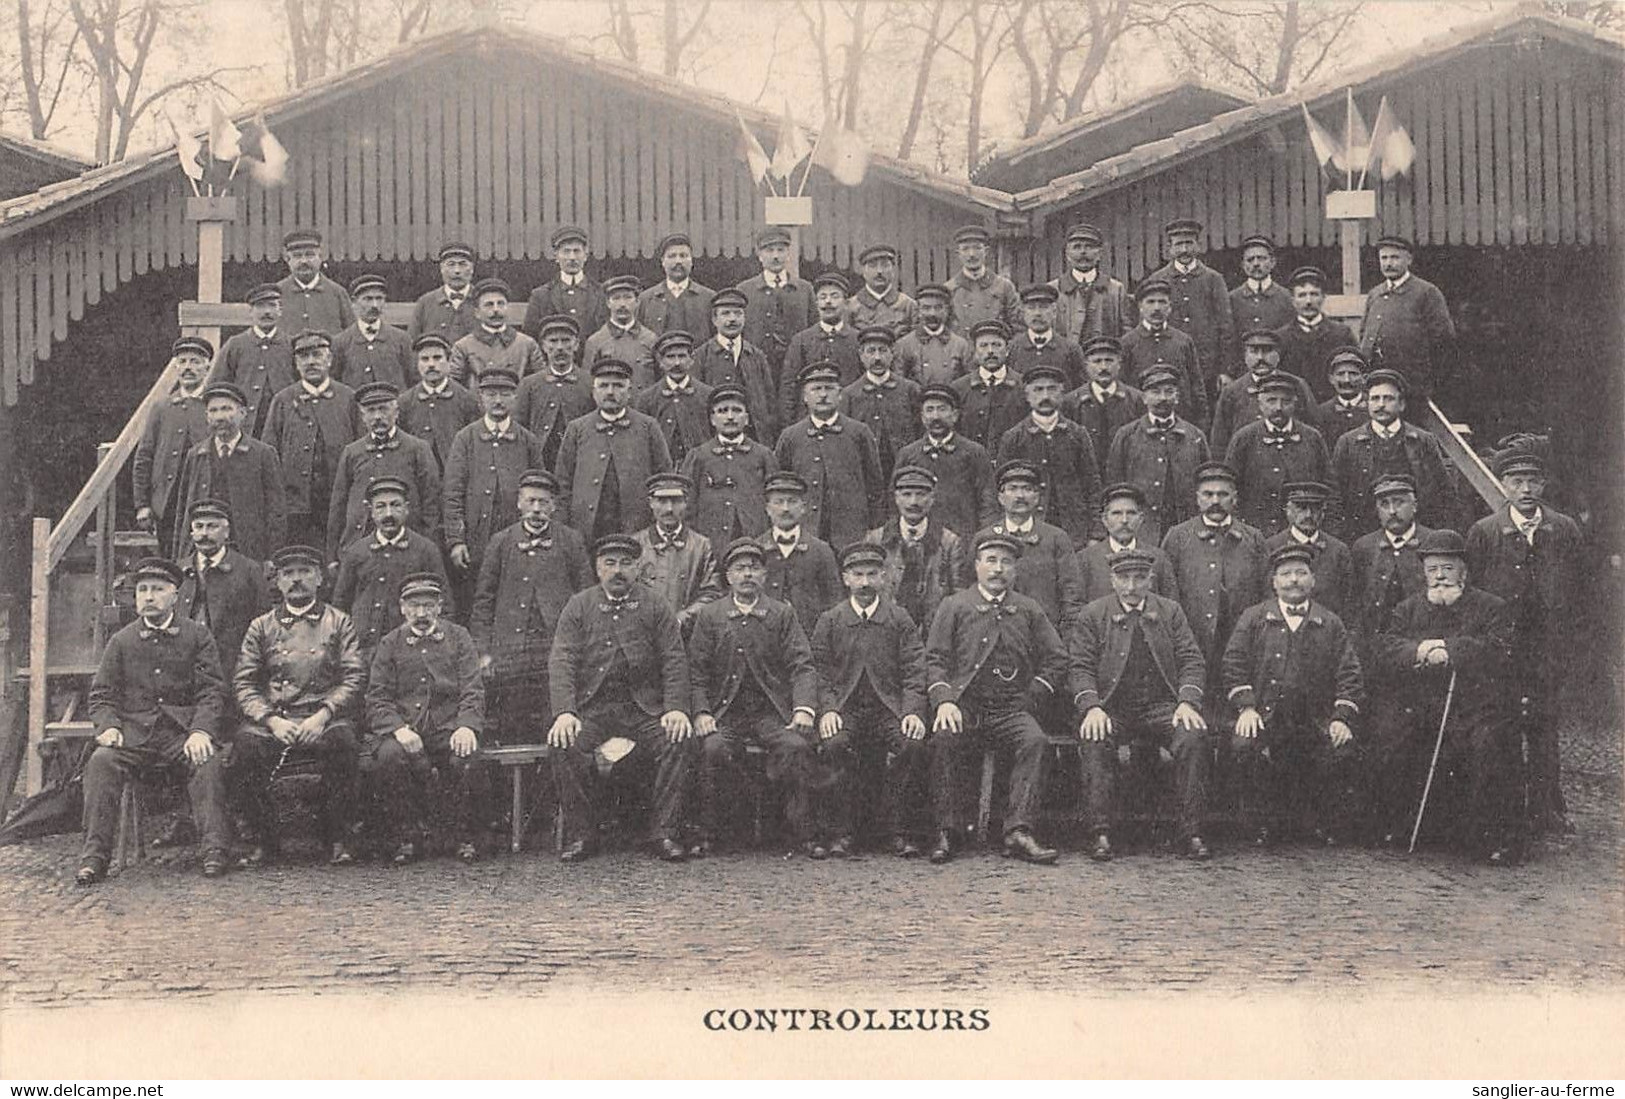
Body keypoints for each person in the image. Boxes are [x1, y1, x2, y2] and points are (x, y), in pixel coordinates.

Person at [75, 557, 231, 884]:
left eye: (158, 590)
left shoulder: (197, 636)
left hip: (180, 735)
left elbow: (212, 692)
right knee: (101, 762)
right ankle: (94, 856)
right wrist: (109, 726)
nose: (148, 596)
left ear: (175, 595)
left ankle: (214, 850)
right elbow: (101, 694)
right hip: (133, 736)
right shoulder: (121, 641)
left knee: (208, 763)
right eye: (142, 590)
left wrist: (201, 730)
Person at [1371, 530, 1518, 863]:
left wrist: (1452, 650)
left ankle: (1488, 838)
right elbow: (1387, 649)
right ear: (1423, 572)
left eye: (1448, 568)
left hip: (1475, 706)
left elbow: (1500, 650)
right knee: (1392, 740)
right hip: (1420, 703)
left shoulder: (1491, 607)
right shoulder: (1407, 609)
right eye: (1433, 568)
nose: (1440, 576)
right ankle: (1404, 826)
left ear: (1463, 571)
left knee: (1487, 744)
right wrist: (1421, 649)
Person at [547, 533, 695, 863]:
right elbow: (562, 660)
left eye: (626, 563)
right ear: (597, 568)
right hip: (594, 707)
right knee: (563, 743)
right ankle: (582, 834)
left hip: (643, 707)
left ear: (638, 568)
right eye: (609, 563)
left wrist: (675, 709)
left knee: (679, 739)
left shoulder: (655, 604)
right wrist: (565, 712)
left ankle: (664, 832)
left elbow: (674, 658)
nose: (618, 571)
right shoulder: (579, 605)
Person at [924, 531, 1067, 865]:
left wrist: (1032, 696)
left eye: (1006, 562)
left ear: (1015, 570)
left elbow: (1057, 658)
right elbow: (934, 659)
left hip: (1011, 708)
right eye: (991, 560)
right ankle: (949, 830)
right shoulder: (955, 606)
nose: (998, 569)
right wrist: (944, 700)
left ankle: (1019, 830)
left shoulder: (1028, 609)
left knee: (1034, 741)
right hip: (966, 706)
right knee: (945, 738)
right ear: (976, 566)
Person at [1466, 450, 1583, 837]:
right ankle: (1510, 808)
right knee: (1504, 725)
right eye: (1516, 481)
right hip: (1504, 647)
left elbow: (1582, 587)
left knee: (1545, 726)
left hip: (1548, 646)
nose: (1526, 488)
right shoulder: (1485, 531)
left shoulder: (1563, 529)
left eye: (1533, 480)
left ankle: (1548, 807)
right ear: (1503, 485)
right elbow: (1476, 591)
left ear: (1544, 484)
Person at [1069, 548, 1211, 862]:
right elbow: (1079, 667)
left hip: (1161, 707)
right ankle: (1100, 832)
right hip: (1111, 708)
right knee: (1094, 736)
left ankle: (1192, 831)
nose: (1131, 587)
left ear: (1151, 579)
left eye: (1139, 578)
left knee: (1192, 735)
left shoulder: (1170, 611)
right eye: (1123, 578)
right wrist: (1091, 706)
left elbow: (1191, 659)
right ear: (1112, 579)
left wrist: (1187, 701)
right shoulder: (1093, 614)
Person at [1222, 543, 1364, 846]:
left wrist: (1341, 718)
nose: (1294, 580)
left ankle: (1320, 824)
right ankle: (1259, 823)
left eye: (1301, 573)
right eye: (1286, 574)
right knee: (1244, 746)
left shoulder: (1330, 623)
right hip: (1265, 715)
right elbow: (1233, 664)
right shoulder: (1254, 618)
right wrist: (1246, 708)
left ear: (1313, 580)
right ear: (1274, 582)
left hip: (1315, 718)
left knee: (1340, 750)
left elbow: (1349, 673)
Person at [232, 544, 365, 867]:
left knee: (344, 742)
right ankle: (266, 840)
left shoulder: (338, 622)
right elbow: (244, 682)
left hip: (323, 717)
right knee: (245, 747)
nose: (296, 580)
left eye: (304, 572)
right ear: (277, 582)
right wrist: (271, 721)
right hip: (278, 719)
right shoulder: (261, 626)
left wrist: (324, 714)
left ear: (319, 578)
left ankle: (338, 837)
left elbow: (354, 676)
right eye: (288, 574)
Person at [688, 537, 821, 856]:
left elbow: (802, 664)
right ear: (728, 576)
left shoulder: (781, 613)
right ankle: (712, 832)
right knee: (713, 748)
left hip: (770, 711)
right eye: (739, 568)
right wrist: (701, 711)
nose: (747, 574)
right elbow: (695, 671)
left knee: (796, 747)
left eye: (754, 568)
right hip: (725, 711)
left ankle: (800, 833)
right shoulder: (712, 615)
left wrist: (803, 708)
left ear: (764, 575)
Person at [811, 541, 931, 857]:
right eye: (858, 575)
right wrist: (828, 709)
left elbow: (915, 670)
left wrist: (913, 712)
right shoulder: (831, 620)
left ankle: (898, 830)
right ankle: (840, 831)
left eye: (872, 574)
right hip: (846, 709)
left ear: (883, 577)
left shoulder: (899, 619)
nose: (865, 583)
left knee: (912, 743)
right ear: (845, 578)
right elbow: (819, 672)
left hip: (887, 709)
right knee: (834, 743)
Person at [362, 573, 490, 864]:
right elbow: (377, 697)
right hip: (405, 728)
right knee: (389, 758)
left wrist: (467, 725)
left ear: (439, 606)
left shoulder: (458, 637)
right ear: (402, 608)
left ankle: (464, 837)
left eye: (428, 605)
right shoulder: (390, 643)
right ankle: (406, 838)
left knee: (466, 757)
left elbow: (473, 687)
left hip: (448, 727)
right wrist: (398, 729)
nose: (421, 613)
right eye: (414, 606)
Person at [471, 469, 594, 746]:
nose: (536, 509)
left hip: (555, 650)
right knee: (512, 727)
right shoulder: (500, 542)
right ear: (519, 503)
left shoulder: (571, 541)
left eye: (543, 502)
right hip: (511, 652)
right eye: (530, 501)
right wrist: (484, 653)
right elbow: (483, 602)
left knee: (555, 729)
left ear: (553, 506)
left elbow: (587, 598)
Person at [1159, 461, 1270, 699]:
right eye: (1208, 494)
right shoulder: (1178, 537)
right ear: (1198, 498)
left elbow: (1266, 592)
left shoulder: (1254, 538)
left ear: (1235, 498)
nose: (1215, 501)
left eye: (1223, 494)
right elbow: (1167, 592)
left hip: (1241, 639)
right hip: (1193, 637)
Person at [1329, 368, 1459, 542]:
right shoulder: (1348, 442)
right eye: (1375, 399)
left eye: (1388, 399)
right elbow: (1336, 494)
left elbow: (1444, 492)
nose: (1381, 405)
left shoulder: (1422, 440)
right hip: (1363, 535)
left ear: (1402, 404)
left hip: (1415, 534)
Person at [262, 330, 363, 550]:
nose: (311, 362)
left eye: (317, 355)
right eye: (303, 357)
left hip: (338, 503)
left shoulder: (349, 399)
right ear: (296, 363)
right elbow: (269, 455)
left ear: (329, 360)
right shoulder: (282, 401)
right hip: (295, 505)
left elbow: (362, 451)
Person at [331, 476, 451, 661]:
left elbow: (445, 605)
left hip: (410, 652)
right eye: (381, 506)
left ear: (406, 509)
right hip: (363, 650)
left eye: (395, 505)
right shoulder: (356, 552)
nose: (389, 513)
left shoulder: (425, 550)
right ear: (370, 511)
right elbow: (340, 605)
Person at [556, 357, 674, 540]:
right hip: (587, 526)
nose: (610, 392)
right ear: (593, 392)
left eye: (618, 386)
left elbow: (663, 475)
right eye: (603, 386)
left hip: (636, 524)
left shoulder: (648, 426)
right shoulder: (577, 428)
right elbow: (563, 483)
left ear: (629, 392)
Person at [443, 368, 547, 578]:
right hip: (476, 537)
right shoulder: (465, 439)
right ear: (481, 398)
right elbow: (453, 492)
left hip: (518, 536)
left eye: (505, 394)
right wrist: (456, 540)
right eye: (491, 394)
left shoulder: (527, 440)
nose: (498, 400)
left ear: (515, 397)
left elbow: (540, 493)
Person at [775, 361, 886, 549]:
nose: (823, 395)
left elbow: (874, 483)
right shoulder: (791, 436)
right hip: (807, 529)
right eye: (816, 389)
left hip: (851, 531)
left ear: (840, 395)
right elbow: (779, 484)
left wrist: (875, 526)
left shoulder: (859, 433)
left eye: (829, 388)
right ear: (805, 397)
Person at [173, 382, 286, 564]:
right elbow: (183, 511)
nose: (220, 417)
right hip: (204, 548)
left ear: (242, 414)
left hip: (248, 550)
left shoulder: (263, 454)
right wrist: (180, 556)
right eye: (213, 411)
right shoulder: (196, 455)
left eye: (226, 409)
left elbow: (276, 511)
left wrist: (272, 556)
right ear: (207, 417)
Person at [327, 381, 442, 560]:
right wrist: (332, 556)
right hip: (359, 542)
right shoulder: (352, 452)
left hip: (406, 545)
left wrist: (426, 548)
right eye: (371, 411)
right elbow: (338, 506)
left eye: (383, 409)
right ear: (363, 416)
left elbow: (431, 503)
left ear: (396, 413)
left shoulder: (417, 448)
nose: (378, 416)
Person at [995, 363, 1101, 549]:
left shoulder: (1077, 434)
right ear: (1027, 396)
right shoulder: (1014, 437)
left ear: (1062, 394)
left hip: (1074, 529)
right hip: (1029, 526)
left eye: (1052, 389)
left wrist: (1096, 533)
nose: (1045, 396)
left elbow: (1091, 485)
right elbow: (1002, 489)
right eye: (1038, 390)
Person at [976, 459, 1085, 639]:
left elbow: (1071, 594)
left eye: (1027, 489)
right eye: (1012, 489)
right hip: (995, 635)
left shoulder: (1056, 538)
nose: (1020, 496)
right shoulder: (984, 538)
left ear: (1037, 497)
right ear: (1000, 498)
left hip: (1044, 635)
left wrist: (1065, 640)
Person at [1104, 365, 1211, 546]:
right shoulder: (1127, 435)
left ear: (1177, 397)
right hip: (1142, 530)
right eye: (1155, 392)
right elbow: (1114, 482)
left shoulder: (1194, 436)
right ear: (1144, 397)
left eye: (1169, 392)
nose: (1163, 398)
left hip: (1185, 529)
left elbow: (1206, 483)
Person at [136, 335, 216, 557]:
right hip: (167, 502)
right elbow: (145, 456)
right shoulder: (161, 407)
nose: (187, 368)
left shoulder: (214, 406)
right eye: (182, 362)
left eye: (195, 361)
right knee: (170, 559)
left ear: (207, 366)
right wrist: (143, 504)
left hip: (206, 499)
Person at [863, 465, 966, 636]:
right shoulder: (875, 540)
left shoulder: (949, 542)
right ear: (896, 498)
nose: (913, 502)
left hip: (933, 634)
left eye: (921, 495)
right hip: (884, 633)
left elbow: (958, 597)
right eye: (906, 495)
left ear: (932, 498)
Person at [1225, 374, 1332, 537]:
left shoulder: (1311, 438)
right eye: (1271, 401)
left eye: (1286, 401)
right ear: (1260, 404)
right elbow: (1230, 488)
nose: (1278, 408)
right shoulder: (1244, 438)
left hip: (1301, 533)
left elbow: (1329, 485)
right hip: (1255, 532)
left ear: (1295, 403)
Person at [176, 499, 269, 684]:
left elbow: (262, 625)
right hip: (184, 668)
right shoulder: (179, 571)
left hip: (231, 669)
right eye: (199, 527)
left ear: (226, 532)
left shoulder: (248, 570)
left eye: (212, 527)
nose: (204, 534)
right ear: (192, 532)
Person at [893, 385, 998, 547]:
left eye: (942, 409)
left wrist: (984, 541)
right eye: (930, 410)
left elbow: (988, 501)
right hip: (921, 543)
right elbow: (895, 500)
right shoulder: (908, 454)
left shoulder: (974, 452)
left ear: (955, 415)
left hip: (964, 540)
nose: (936, 416)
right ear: (922, 417)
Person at [1359, 234, 1455, 401]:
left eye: (1395, 258)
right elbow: (1364, 334)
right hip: (1377, 381)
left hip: (1412, 384)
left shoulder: (1426, 292)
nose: (1388, 263)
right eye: (1384, 258)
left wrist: (1428, 380)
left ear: (1408, 259)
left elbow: (1443, 340)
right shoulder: (1375, 294)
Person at [680, 385, 778, 549]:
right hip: (710, 542)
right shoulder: (698, 456)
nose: (730, 417)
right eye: (723, 411)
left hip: (755, 540)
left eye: (737, 410)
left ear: (746, 418)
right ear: (712, 419)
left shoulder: (763, 455)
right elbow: (687, 505)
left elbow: (775, 502)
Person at [1348, 473, 1436, 642]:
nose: (1392, 511)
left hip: (1421, 641)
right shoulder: (1364, 547)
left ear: (1414, 505)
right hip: (1376, 643)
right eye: (1384, 504)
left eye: (1399, 502)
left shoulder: (1432, 541)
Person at [1208, 329, 1320, 458]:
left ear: (1278, 355)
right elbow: (1220, 441)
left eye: (1267, 351)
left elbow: (1314, 429)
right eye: (1254, 352)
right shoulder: (1232, 391)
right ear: (1245, 356)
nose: (1260, 358)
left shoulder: (1297, 385)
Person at [632, 472, 723, 631]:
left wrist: (683, 618)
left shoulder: (701, 546)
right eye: (662, 501)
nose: (669, 509)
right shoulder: (636, 544)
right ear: (651, 503)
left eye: (676, 501)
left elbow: (712, 593)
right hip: (644, 631)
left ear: (686, 502)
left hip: (688, 633)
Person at [757, 471, 843, 633]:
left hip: (810, 637)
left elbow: (834, 601)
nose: (785, 509)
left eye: (792, 502)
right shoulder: (756, 549)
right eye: (778, 502)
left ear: (803, 508)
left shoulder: (821, 550)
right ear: (767, 509)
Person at [691, 286, 779, 443]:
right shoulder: (701, 356)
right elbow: (696, 405)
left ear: (744, 318)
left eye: (738, 313)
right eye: (725, 313)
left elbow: (769, 403)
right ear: (714, 320)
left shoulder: (756, 356)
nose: (732, 319)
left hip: (753, 440)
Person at [1120, 278, 1208, 427]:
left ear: (1170, 307)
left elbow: (1196, 386)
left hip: (1180, 421)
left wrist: (1201, 423)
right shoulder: (1128, 342)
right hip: (1141, 423)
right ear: (1140, 306)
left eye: (1162, 302)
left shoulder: (1183, 341)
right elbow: (1123, 389)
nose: (1156, 308)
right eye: (1150, 302)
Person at [209, 283, 293, 438]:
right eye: (260, 306)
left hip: (284, 424)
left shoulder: (291, 345)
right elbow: (216, 386)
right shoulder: (235, 345)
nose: (267, 312)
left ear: (280, 310)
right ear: (250, 312)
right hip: (246, 426)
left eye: (272, 306)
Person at [839, 325, 922, 478]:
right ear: (861, 355)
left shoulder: (910, 390)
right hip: (864, 470)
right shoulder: (849, 394)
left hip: (904, 469)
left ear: (892, 354)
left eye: (883, 350)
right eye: (871, 351)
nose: (877, 358)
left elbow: (920, 431)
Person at [512, 315, 594, 469]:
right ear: (543, 346)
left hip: (581, 458)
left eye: (566, 341)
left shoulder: (589, 382)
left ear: (576, 345)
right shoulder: (529, 384)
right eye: (553, 341)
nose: (560, 348)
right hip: (541, 459)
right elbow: (518, 427)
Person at [1076, 483, 1177, 604]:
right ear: (1104, 519)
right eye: (1116, 513)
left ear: (1141, 519)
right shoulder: (1085, 560)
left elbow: (1171, 608)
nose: (1124, 520)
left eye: (1131, 513)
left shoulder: (1158, 559)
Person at [782, 272, 861, 425]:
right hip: (808, 422)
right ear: (816, 303)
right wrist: (789, 424)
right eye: (823, 297)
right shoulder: (801, 340)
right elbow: (789, 386)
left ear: (846, 303)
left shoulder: (857, 339)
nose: (828, 302)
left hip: (849, 419)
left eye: (834, 296)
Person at [1264, 481, 1353, 615]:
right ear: (1288, 511)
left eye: (1315, 508)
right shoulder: (1271, 547)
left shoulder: (1338, 550)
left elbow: (1348, 600)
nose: (1308, 515)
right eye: (1301, 508)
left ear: (1323, 512)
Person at [396, 333, 481, 470]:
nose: (431, 364)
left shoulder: (467, 400)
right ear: (417, 364)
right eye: (425, 359)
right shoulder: (404, 402)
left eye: (437, 358)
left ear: (449, 361)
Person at [735, 226, 811, 375]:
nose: (775, 256)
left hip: (797, 368)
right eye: (769, 250)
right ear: (760, 255)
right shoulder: (745, 290)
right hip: (756, 369)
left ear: (788, 254)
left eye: (781, 250)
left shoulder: (804, 289)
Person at [1061, 336, 1145, 466]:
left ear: (1119, 364)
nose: (1104, 367)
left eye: (1109, 361)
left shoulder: (1137, 400)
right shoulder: (1071, 402)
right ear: (1086, 366)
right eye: (1097, 361)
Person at [1274, 266, 1355, 400]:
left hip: (1330, 408)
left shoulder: (1341, 334)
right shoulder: (1281, 337)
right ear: (1293, 301)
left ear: (1323, 298)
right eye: (1302, 295)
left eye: (1314, 294)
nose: (1308, 302)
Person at [633, 330, 713, 463]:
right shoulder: (647, 399)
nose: (677, 363)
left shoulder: (707, 395)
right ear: (660, 361)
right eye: (670, 357)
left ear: (692, 359)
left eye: (682, 356)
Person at [450, 277, 544, 385]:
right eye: (489, 305)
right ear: (477, 313)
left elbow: (540, 381)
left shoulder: (527, 344)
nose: (495, 310)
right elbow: (454, 385)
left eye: (500, 304)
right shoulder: (463, 346)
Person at [951, 320, 1027, 451]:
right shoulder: (959, 389)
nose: (990, 351)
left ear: (1007, 349)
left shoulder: (1023, 386)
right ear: (975, 351)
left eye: (996, 345)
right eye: (983, 346)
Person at [522, 226, 607, 343]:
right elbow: (531, 338)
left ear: (585, 255)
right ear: (556, 256)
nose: (572, 257)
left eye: (577, 251)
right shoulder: (540, 296)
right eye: (566, 252)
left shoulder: (601, 293)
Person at [1048, 222, 1128, 345]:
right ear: (1067, 254)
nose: (1083, 252)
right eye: (1077, 247)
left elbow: (1126, 331)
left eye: (1089, 247)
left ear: (1100, 254)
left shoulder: (1116, 290)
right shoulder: (1053, 290)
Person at [331, 273, 413, 391]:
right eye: (367, 299)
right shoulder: (341, 342)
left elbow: (412, 380)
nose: (374, 305)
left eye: (379, 299)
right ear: (354, 302)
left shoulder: (401, 339)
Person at [637, 232, 715, 342]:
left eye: (683, 256)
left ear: (691, 261)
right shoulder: (645, 299)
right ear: (663, 261)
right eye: (672, 256)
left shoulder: (708, 298)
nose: (678, 261)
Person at [584, 275, 658, 390]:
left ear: (637, 302)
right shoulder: (596, 341)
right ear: (608, 303)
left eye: (628, 298)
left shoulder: (650, 339)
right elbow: (588, 383)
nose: (622, 304)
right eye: (616, 298)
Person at [277, 228, 355, 336]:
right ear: (287, 259)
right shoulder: (277, 294)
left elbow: (351, 335)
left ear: (320, 257)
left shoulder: (337, 293)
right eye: (297, 256)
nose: (304, 261)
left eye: (310, 255)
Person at [1007, 283, 1086, 389]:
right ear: (1023, 313)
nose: (1037, 313)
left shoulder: (1071, 350)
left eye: (1044, 307)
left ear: (1054, 312)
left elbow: (1079, 389)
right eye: (1031, 308)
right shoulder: (1012, 348)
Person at [947, 224, 1020, 335]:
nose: (971, 254)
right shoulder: (950, 289)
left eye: (977, 248)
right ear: (958, 254)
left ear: (986, 251)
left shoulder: (1004, 287)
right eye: (965, 249)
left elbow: (1017, 326)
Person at [893, 283, 971, 387]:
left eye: (938, 308)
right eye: (926, 308)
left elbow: (967, 384)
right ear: (918, 310)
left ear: (947, 310)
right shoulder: (904, 345)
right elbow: (900, 385)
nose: (932, 313)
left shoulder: (961, 345)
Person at [408, 241, 479, 345]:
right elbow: (412, 342)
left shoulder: (481, 299)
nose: (457, 271)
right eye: (451, 264)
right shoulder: (426, 302)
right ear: (441, 268)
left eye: (463, 264)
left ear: (472, 269)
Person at [1229, 234, 1295, 335]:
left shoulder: (1286, 297)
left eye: (1261, 258)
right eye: (1250, 260)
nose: (1255, 264)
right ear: (1243, 265)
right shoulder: (1232, 298)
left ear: (1272, 262)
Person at [847, 244, 917, 336]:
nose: (879, 271)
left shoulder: (908, 305)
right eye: (873, 266)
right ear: (863, 271)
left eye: (885, 265)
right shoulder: (850, 306)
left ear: (893, 270)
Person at [1316, 346, 1370, 446]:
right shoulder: (1321, 413)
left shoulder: (1374, 408)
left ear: (1364, 378)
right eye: (1340, 374)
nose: (1347, 380)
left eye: (1353, 374)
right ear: (1331, 379)